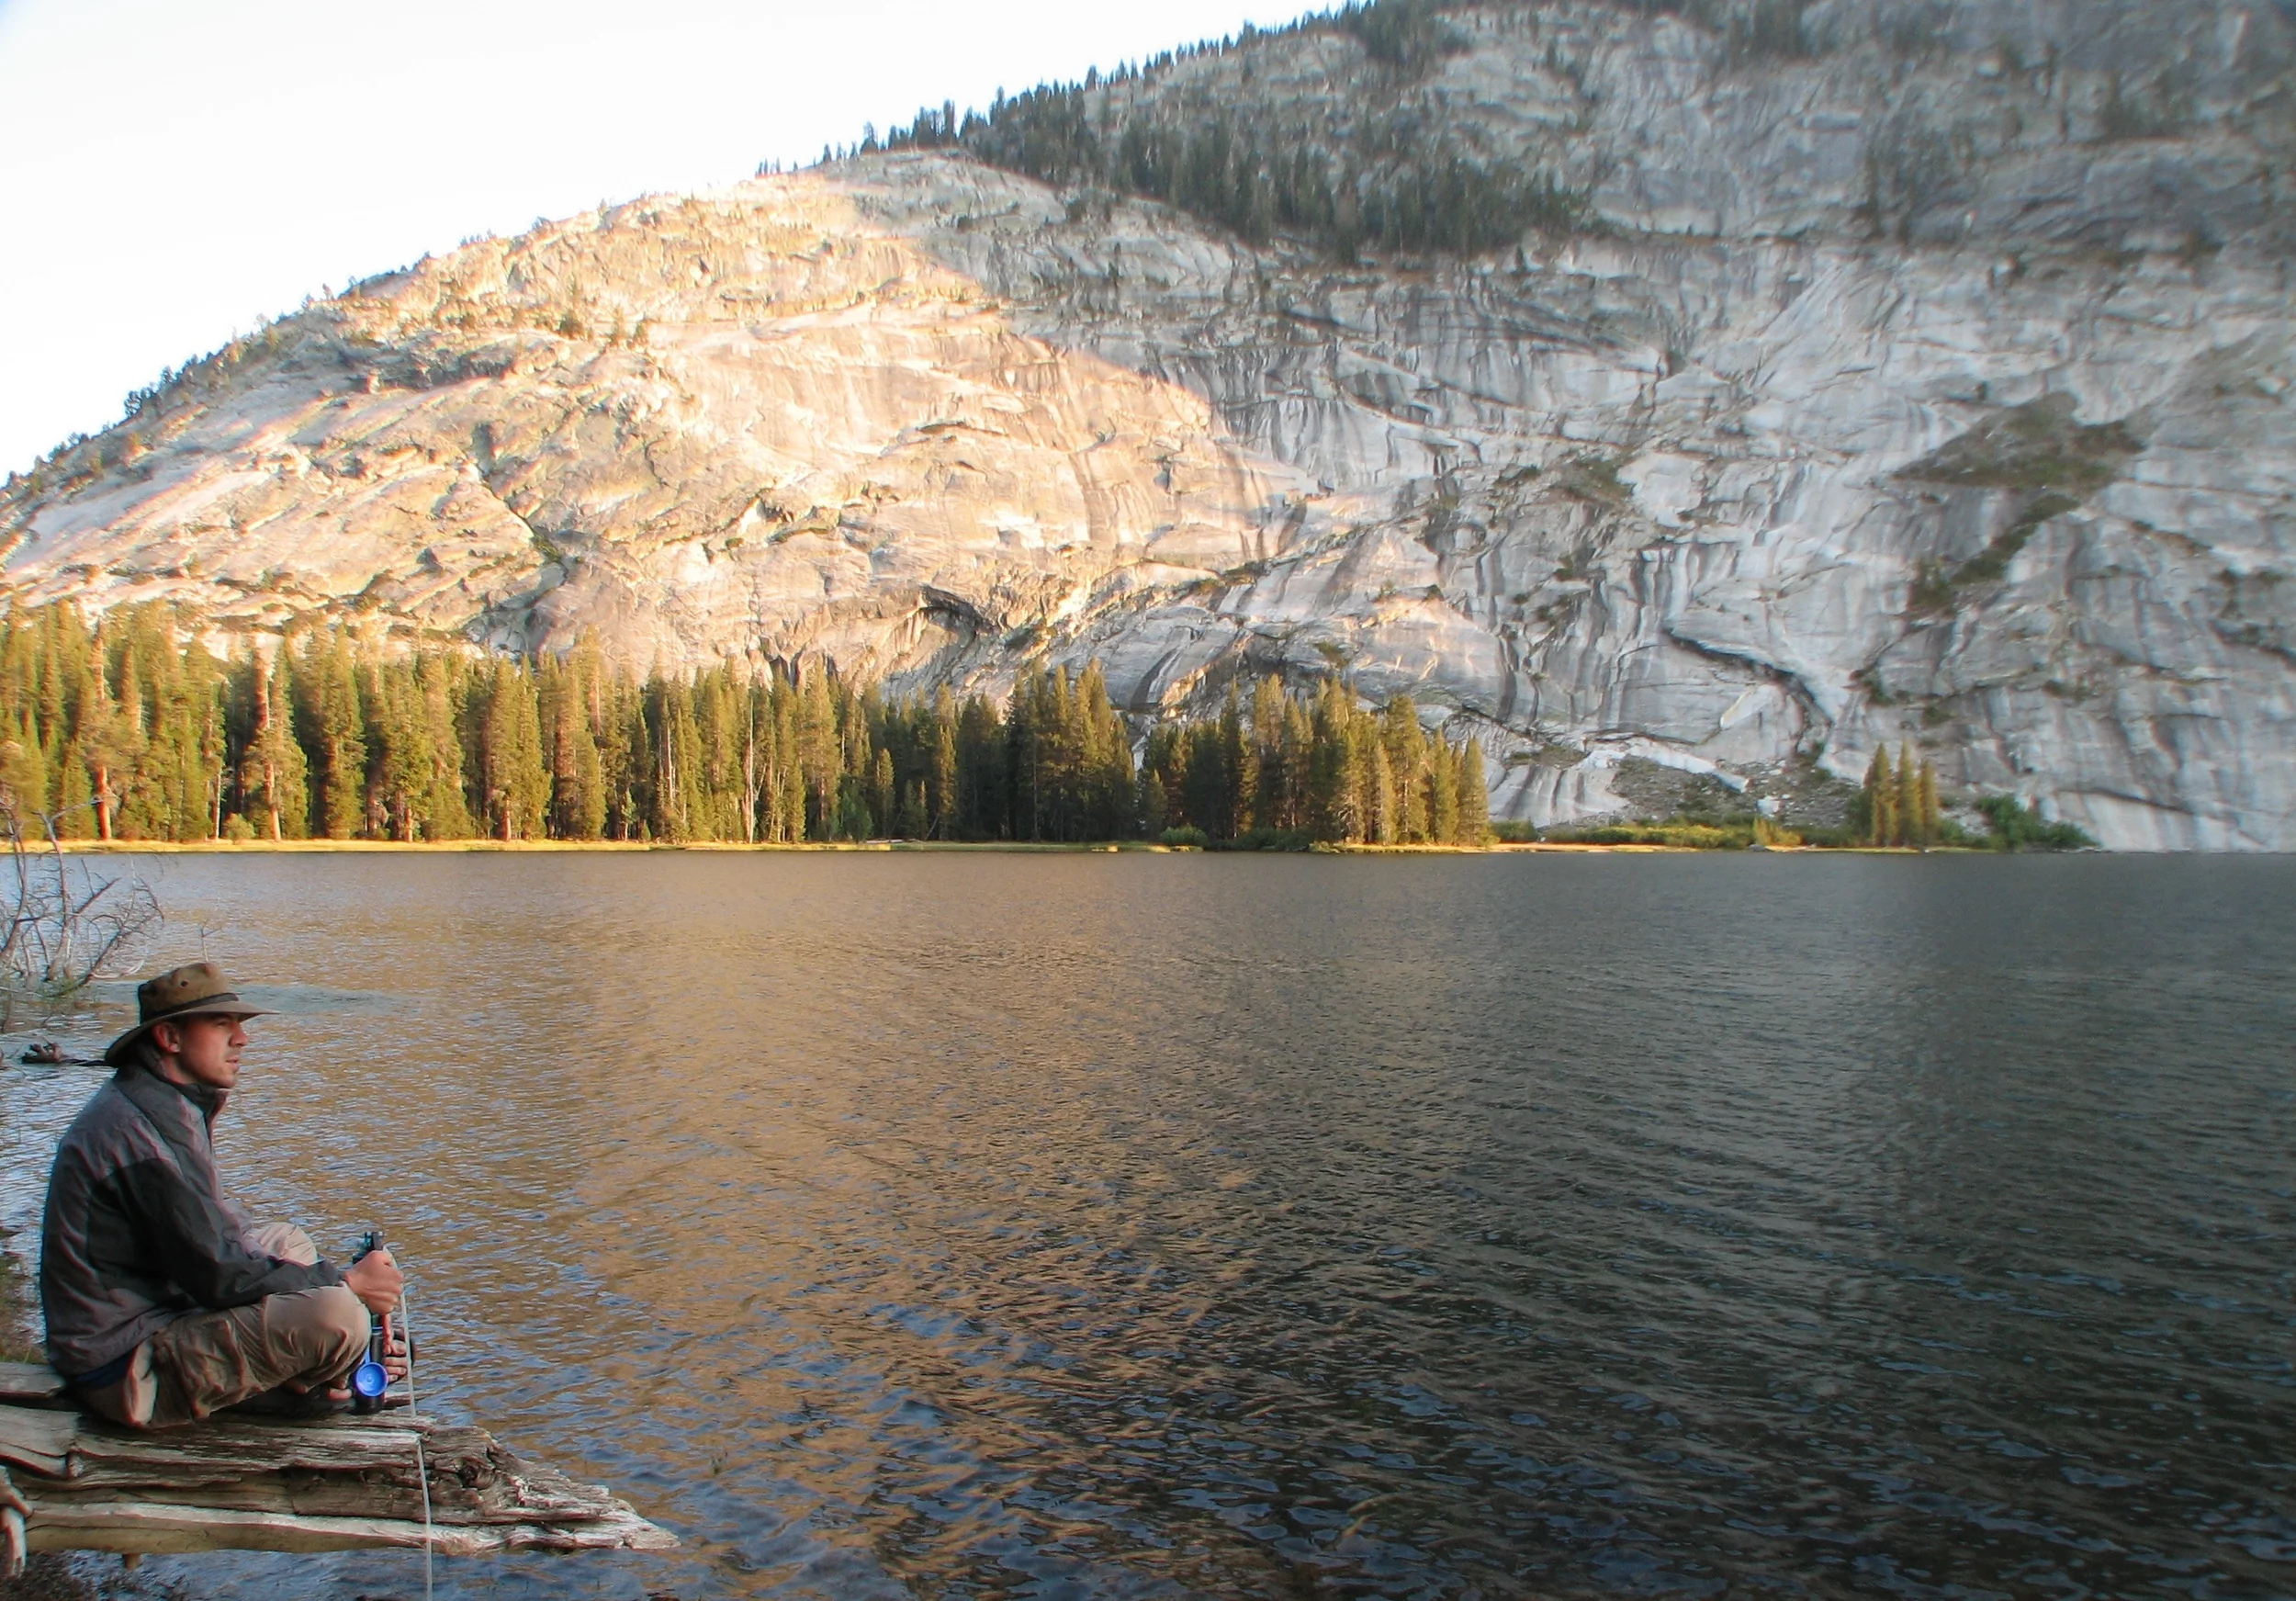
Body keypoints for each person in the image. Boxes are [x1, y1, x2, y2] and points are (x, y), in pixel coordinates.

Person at [39, 962, 406, 1428]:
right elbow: (218, 1272)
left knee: (286, 1242)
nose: (242, 1039)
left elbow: (211, 1243)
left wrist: (326, 1283)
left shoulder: (158, 1102)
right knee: (337, 1315)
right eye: (221, 1025)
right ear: (170, 1038)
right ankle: (315, 1386)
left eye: (239, 1026)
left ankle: (315, 1373)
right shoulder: (138, 1133)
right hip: (124, 1366)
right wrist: (348, 1284)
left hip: (152, 1310)